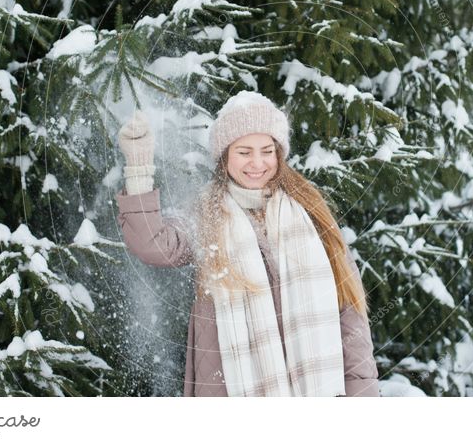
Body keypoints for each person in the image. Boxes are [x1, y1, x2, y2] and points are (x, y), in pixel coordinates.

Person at [115, 90, 379, 397]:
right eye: (244, 152)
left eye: (267, 150)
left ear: (279, 153)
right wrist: (138, 164)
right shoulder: (207, 215)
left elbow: (349, 312)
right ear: (225, 156)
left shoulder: (311, 211)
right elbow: (153, 244)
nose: (257, 163)